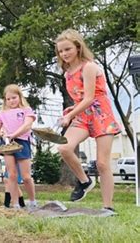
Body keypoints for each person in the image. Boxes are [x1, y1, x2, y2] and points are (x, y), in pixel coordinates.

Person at [55, 29, 121, 212]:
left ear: (78, 47)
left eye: (67, 49)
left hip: (101, 114)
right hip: (83, 115)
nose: (64, 54)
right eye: (60, 51)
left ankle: (108, 207)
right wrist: (71, 110)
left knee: (102, 163)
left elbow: (90, 98)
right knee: (64, 148)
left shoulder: (89, 67)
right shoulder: (67, 73)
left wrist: (69, 115)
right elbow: (80, 99)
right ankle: (85, 181)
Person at [0, 84, 37, 209]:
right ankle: (15, 203)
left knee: (26, 176)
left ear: (19, 97)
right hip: (8, 145)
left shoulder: (26, 110)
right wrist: (0, 133)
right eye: (8, 99)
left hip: (22, 142)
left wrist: (14, 134)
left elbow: (27, 125)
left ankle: (33, 201)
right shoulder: (2, 113)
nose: (11, 101)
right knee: (11, 175)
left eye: (14, 98)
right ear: (5, 100)